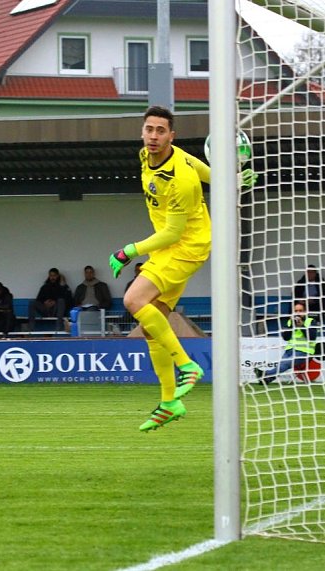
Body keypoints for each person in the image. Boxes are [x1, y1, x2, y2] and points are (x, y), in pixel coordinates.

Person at [109, 106, 255, 432]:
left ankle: (187, 365)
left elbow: (173, 233)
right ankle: (169, 402)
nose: (154, 136)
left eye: (161, 131)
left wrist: (128, 251)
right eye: (150, 129)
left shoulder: (180, 179)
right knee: (151, 324)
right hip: (170, 248)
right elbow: (211, 174)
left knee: (134, 302)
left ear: (171, 135)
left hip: (185, 247)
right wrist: (231, 179)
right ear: (143, 131)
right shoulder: (150, 156)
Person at [254, 302, 319, 385]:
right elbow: (286, 337)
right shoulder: (290, 322)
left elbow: (312, 337)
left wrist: (302, 326)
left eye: (300, 311)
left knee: (285, 363)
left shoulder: (311, 321)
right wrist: (292, 326)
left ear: (305, 311)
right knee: (282, 364)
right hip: (289, 350)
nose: (298, 313)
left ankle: (265, 374)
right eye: (296, 311)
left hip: (304, 351)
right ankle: (267, 380)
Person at [27, 268, 72, 332]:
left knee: (61, 301)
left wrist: (55, 302)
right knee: (32, 303)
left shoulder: (64, 286)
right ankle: (31, 328)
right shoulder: (45, 287)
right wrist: (45, 302)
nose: (52, 277)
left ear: (58, 276)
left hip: (57, 310)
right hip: (46, 310)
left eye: (54, 275)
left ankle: (58, 327)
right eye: (51, 275)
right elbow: (38, 299)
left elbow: (69, 300)